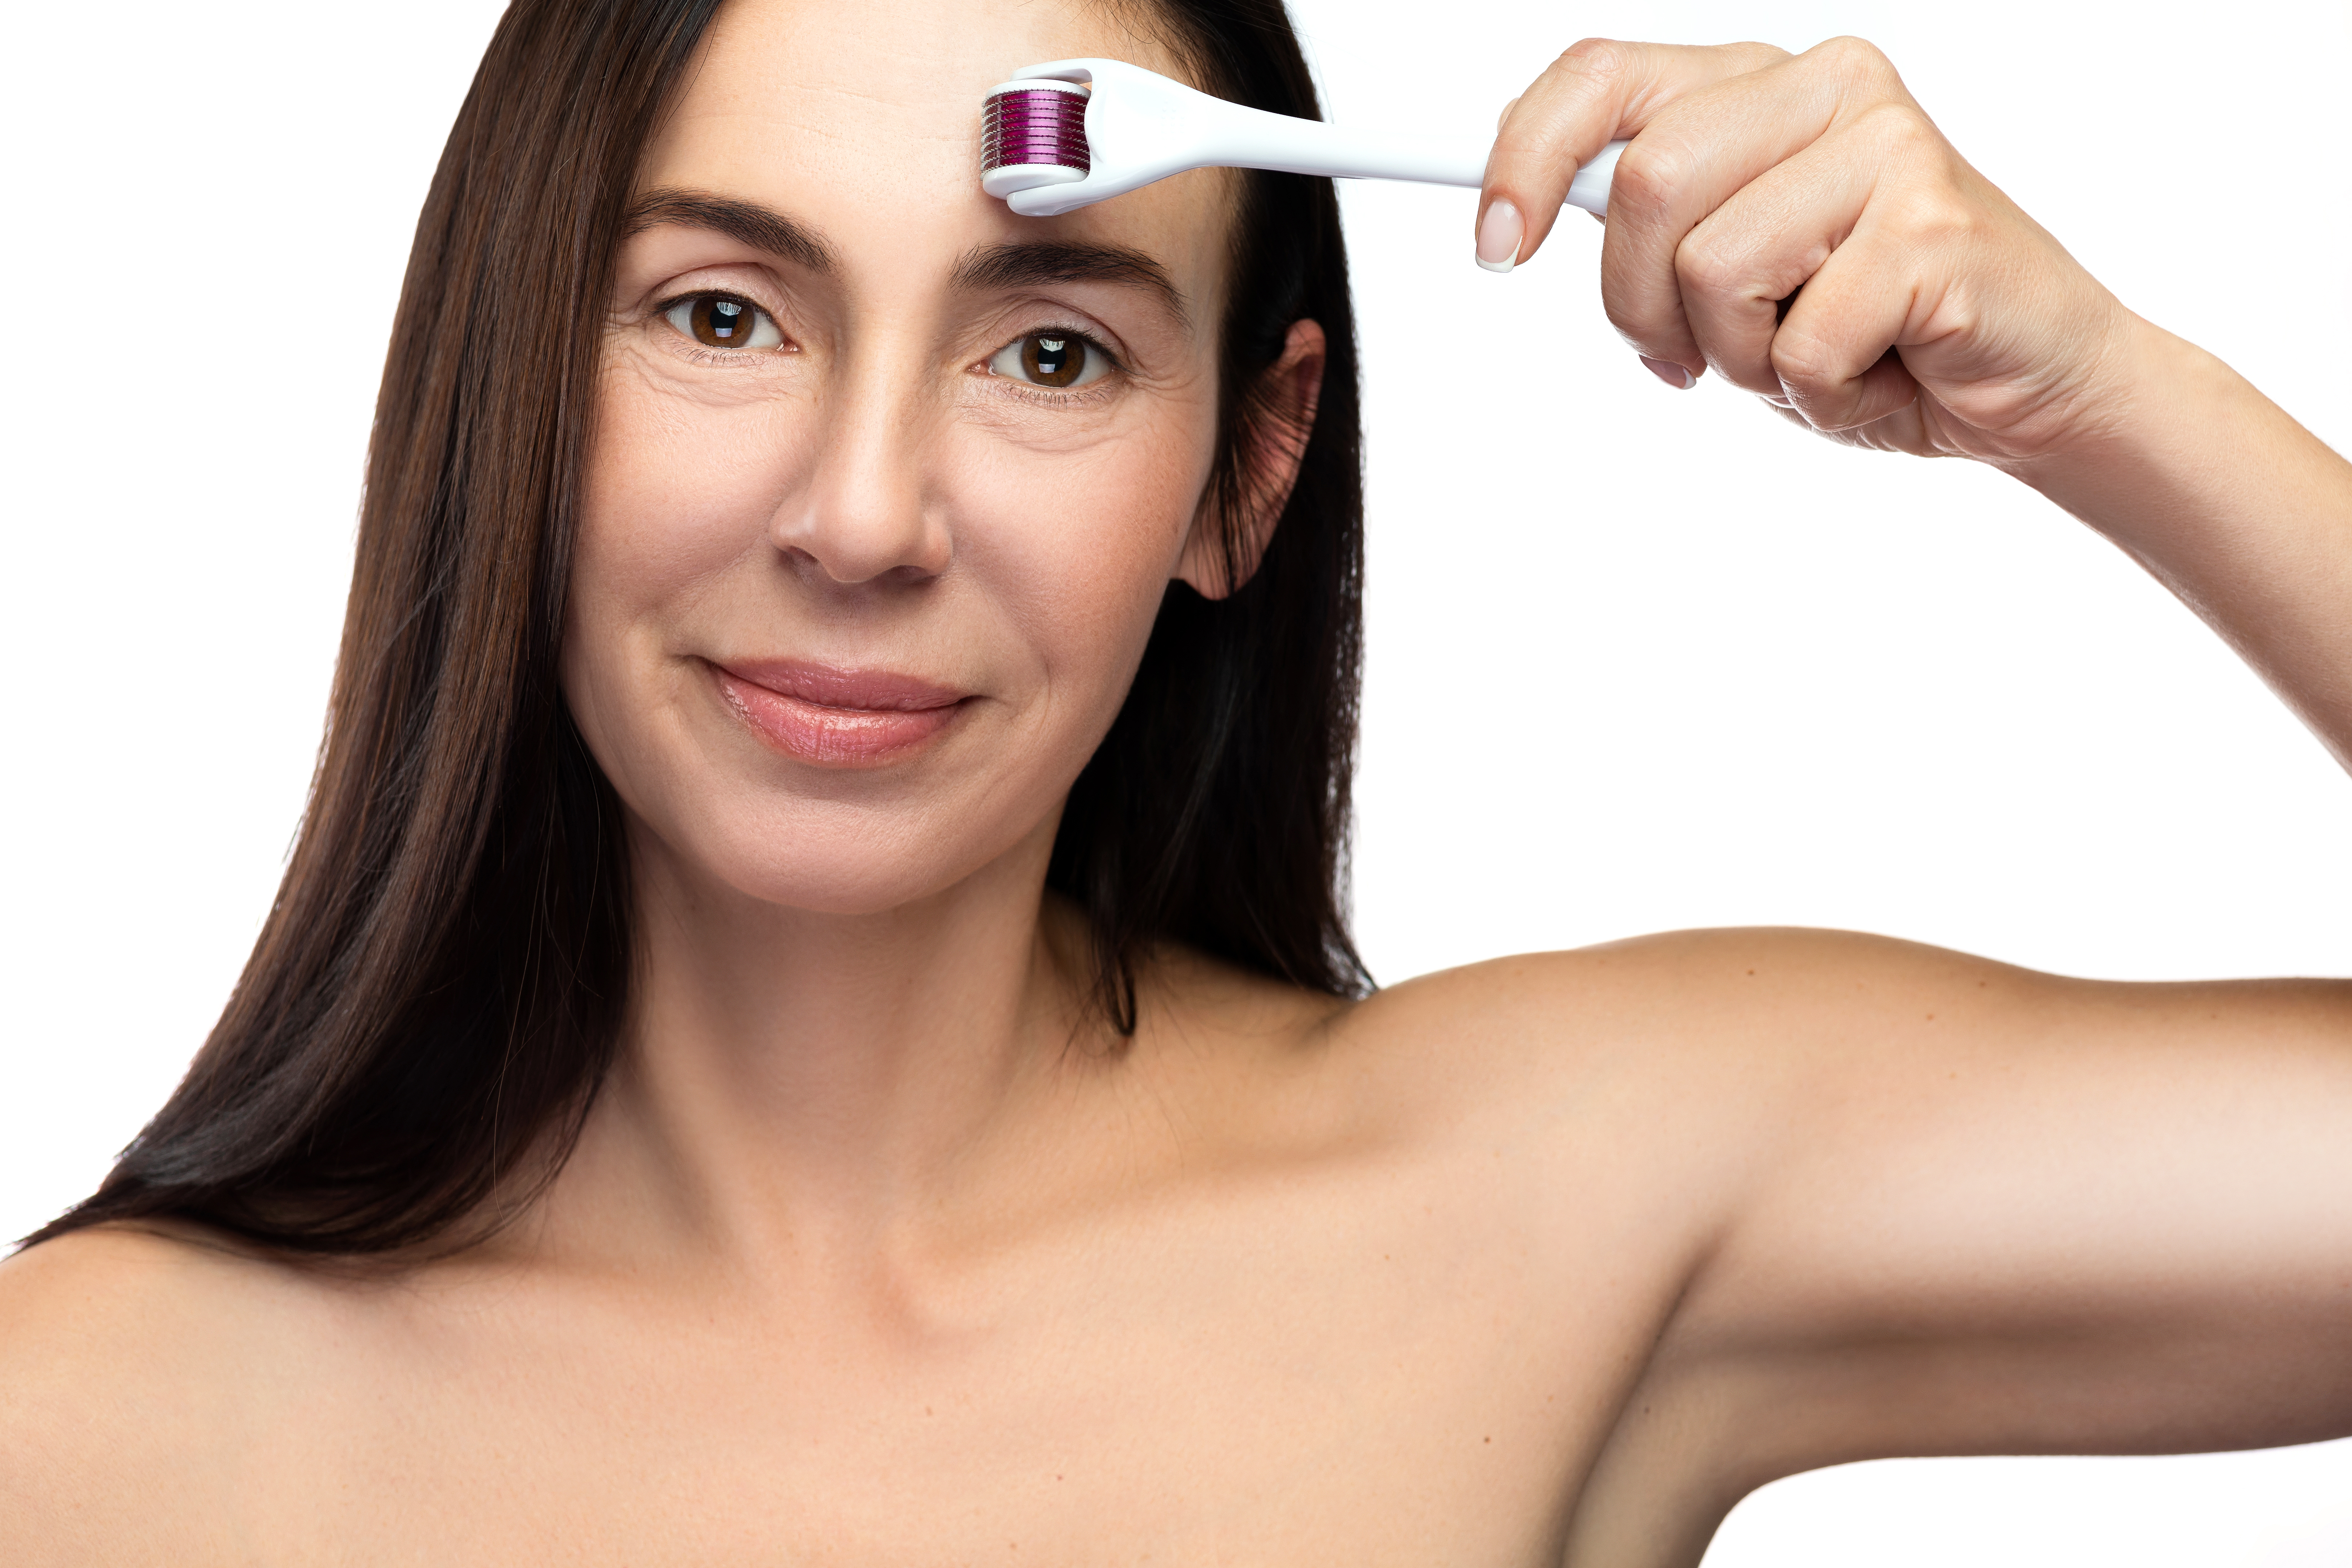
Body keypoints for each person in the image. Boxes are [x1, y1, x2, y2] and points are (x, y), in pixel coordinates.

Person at [4, 0, 2348, 1560]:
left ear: (1250, 468)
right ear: (517, 373)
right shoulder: (85, 1428)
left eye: (1046, 347)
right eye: (722, 313)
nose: (860, 515)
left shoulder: (1566, 1196)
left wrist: (2101, 394)